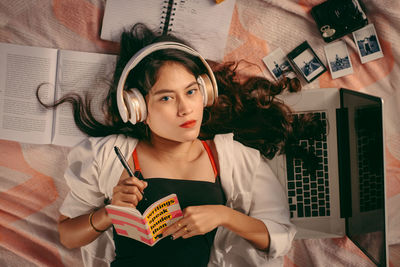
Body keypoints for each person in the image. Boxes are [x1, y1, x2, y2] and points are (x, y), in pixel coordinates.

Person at [37, 23, 316, 266]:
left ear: (205, 93)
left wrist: (223, 215)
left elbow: (279, 236)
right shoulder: (108, 156)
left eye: (191, 92)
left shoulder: (237, 159)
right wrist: (108, 213)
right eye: (166, 98)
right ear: (137, 109)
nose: (185, 109)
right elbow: (68, 235)